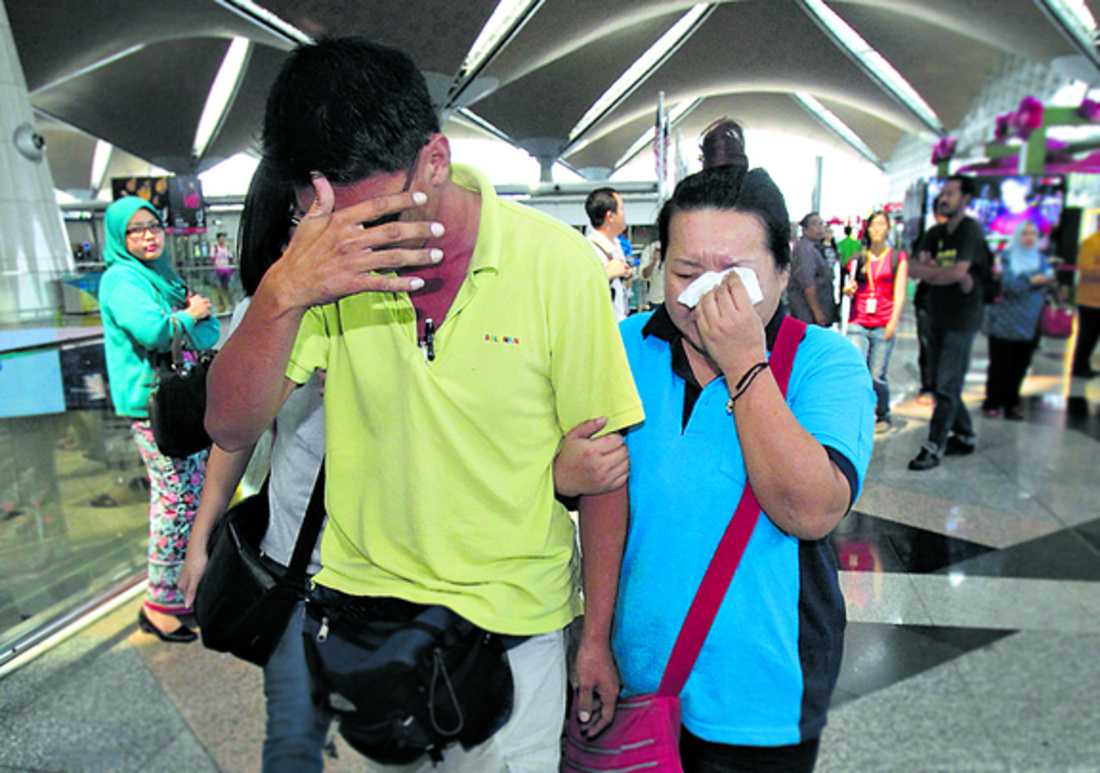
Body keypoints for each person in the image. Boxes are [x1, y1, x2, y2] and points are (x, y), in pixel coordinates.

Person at [205, 36, 643, 771]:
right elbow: (229, 422)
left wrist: (594, 638)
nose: (356, 245)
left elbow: (604, 471)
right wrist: (284, 290)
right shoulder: (321, 270)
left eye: (377, 219)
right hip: (369, 633)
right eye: (325, 222)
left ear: (435, 159)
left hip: (513, 637)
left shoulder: (555, 265)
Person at [609, 164, 874, 772]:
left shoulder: (825, 363)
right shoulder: (626, 347)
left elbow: (811, 510)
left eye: (734, 276)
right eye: (686, 274)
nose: (708, 296)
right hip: (641, 677)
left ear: (783, 270)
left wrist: (746, 364)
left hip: (764, 696)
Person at [98, 195, 219, 642]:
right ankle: (159, 603)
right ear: (119, 237)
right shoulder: (121, 279)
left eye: (153, 226)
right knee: (176, 502)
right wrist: (189, 315)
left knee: (193, 497)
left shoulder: (162, 276)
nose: (148, 236)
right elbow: (153, 331)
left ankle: (187, 591)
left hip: (183, 399)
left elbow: (209, 331)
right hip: (153, 407)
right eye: (135, 230)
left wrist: (187, 319)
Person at [907, 175, 989, 471]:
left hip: (962, 319)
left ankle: (934, 445)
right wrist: (947, 274)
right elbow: (913, 268)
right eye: (942, 193)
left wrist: (935, 271)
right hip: (936, 315)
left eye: (951, 193)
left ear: (966, 199)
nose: (943, 198)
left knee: (944, 385)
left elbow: (957, 272)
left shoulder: (970, 231)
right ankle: (965, 435)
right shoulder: (934, 233)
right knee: (944, 383)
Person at [982, 221, 1055, 419]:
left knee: (1020, 365)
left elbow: (1049, 278)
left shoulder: (1040, 259)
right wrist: (1031, 280)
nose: (1029, 238)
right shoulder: (1006, 258)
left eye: (1033, 234)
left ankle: (1011, 403)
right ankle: (993, 402)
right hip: (1004, 322)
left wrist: (1033, 279)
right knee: (1000, 365)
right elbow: (1010, 285)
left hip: (1030, 322)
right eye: (1024, 233)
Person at [843, 211, 909, 429]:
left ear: (888, 228)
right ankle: (858, 414)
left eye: (882, 224)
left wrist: (893, 322)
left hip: (883, 322)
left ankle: (883, 413)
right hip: (858, 321)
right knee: (857, 370)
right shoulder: (859, 257)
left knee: (876, 376)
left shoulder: (898, 257)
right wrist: (848, 288)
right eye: (874, 225)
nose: (878, 229)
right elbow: (849, 284)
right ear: (868, 229)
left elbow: (900, 292)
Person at [585, 187, 632, 320]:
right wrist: (606, 275)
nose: (624, 214)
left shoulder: (617, 246)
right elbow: (579, 292)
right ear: (610, 216)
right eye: (621, 209)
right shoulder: (588, 250)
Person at [789, 212, 838, 327]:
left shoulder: (817, 247)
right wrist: (818, 313)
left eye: (821, 224)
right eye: (815, 224)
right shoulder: (805, 250)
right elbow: (808, 283)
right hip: (808, 315)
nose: (820, 228)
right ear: (804, 229)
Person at [1072, 227, 1100, 379]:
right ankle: (1079, 366)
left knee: (1093, 337)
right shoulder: (1091, 243)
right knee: (1088, 335)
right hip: (1090, 300)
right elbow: (1086, 267)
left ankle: (1084, 365)